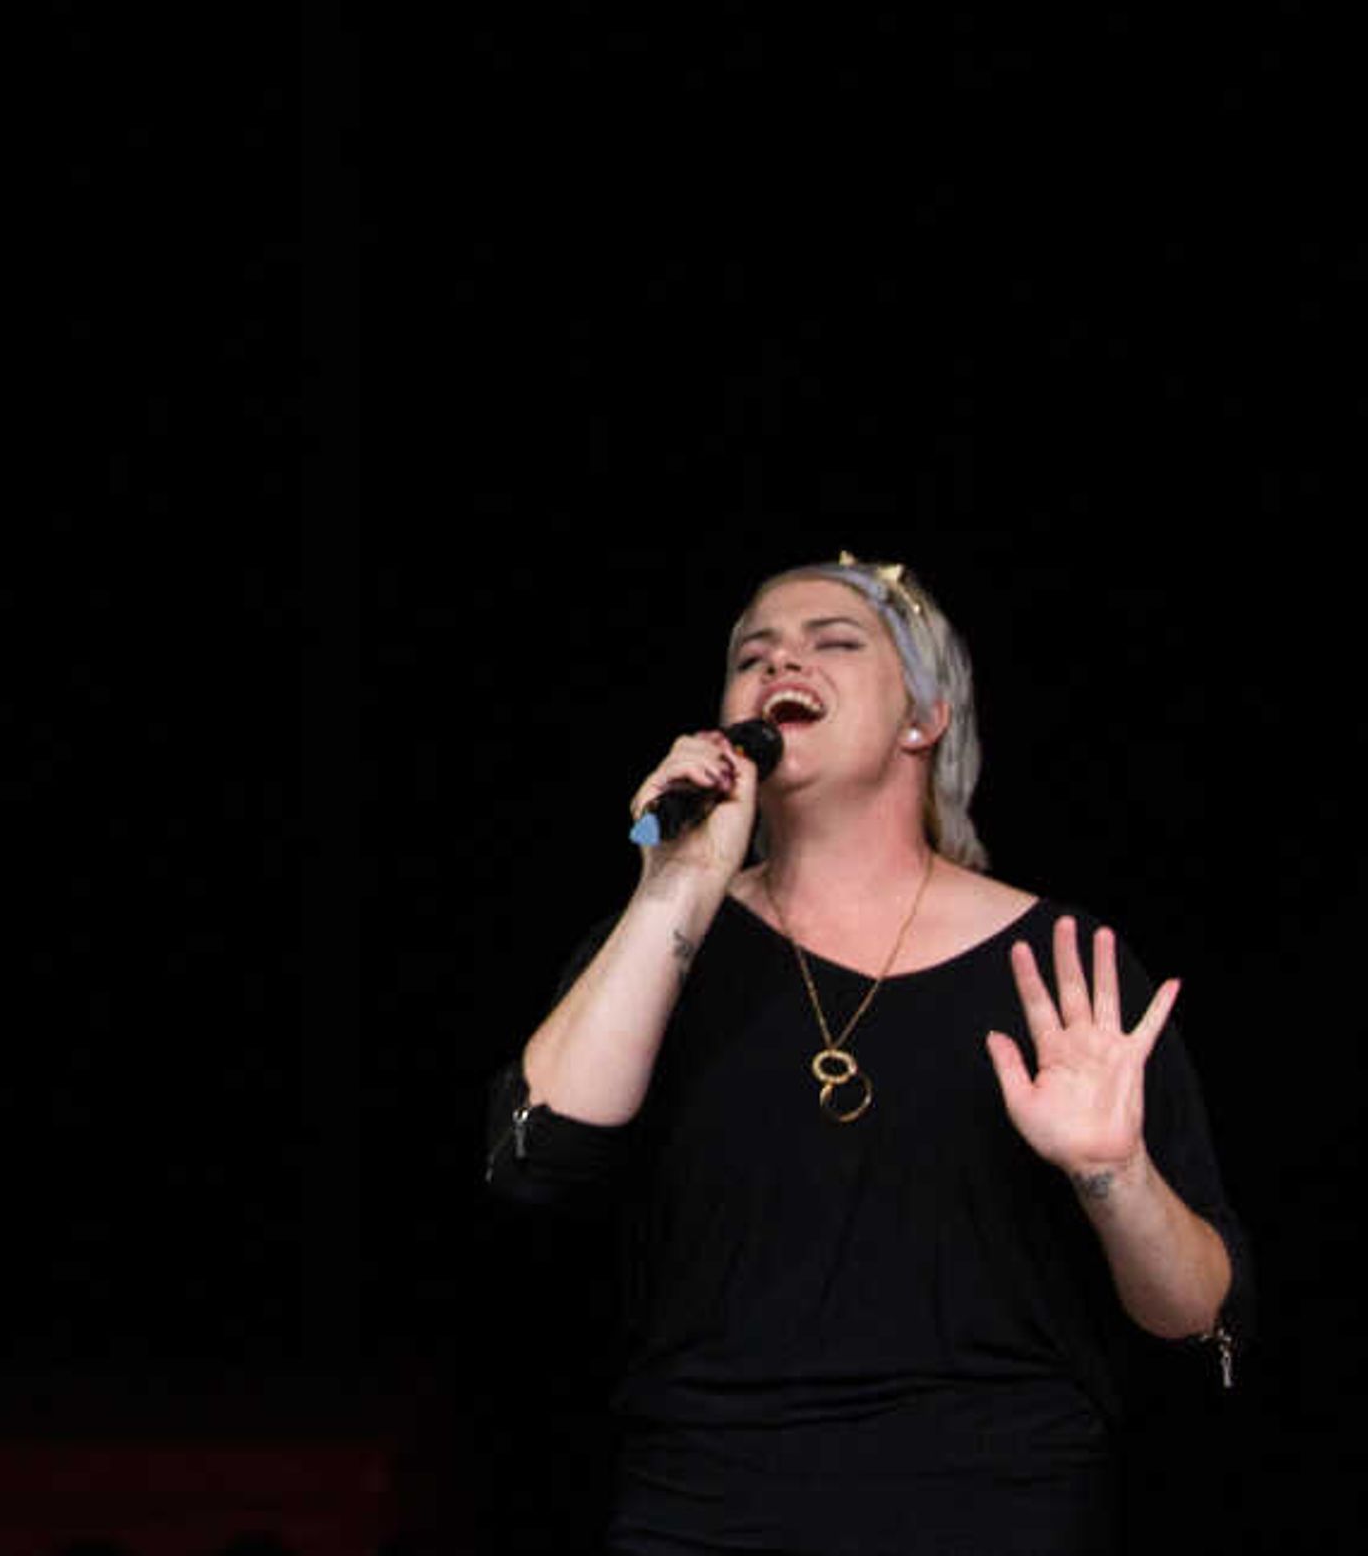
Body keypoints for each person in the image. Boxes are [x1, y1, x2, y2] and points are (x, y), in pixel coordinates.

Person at [484, 555, 1249, 1556]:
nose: (780, 658)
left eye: (833, 640)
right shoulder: (670, 936)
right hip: (705, 1506)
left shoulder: (1057, 963)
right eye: (751, 652)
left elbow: (1198, 1314)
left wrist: (1112, 1171)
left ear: (922, 718)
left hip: (996, 1505)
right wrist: (679, 880)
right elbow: (534, 1160)